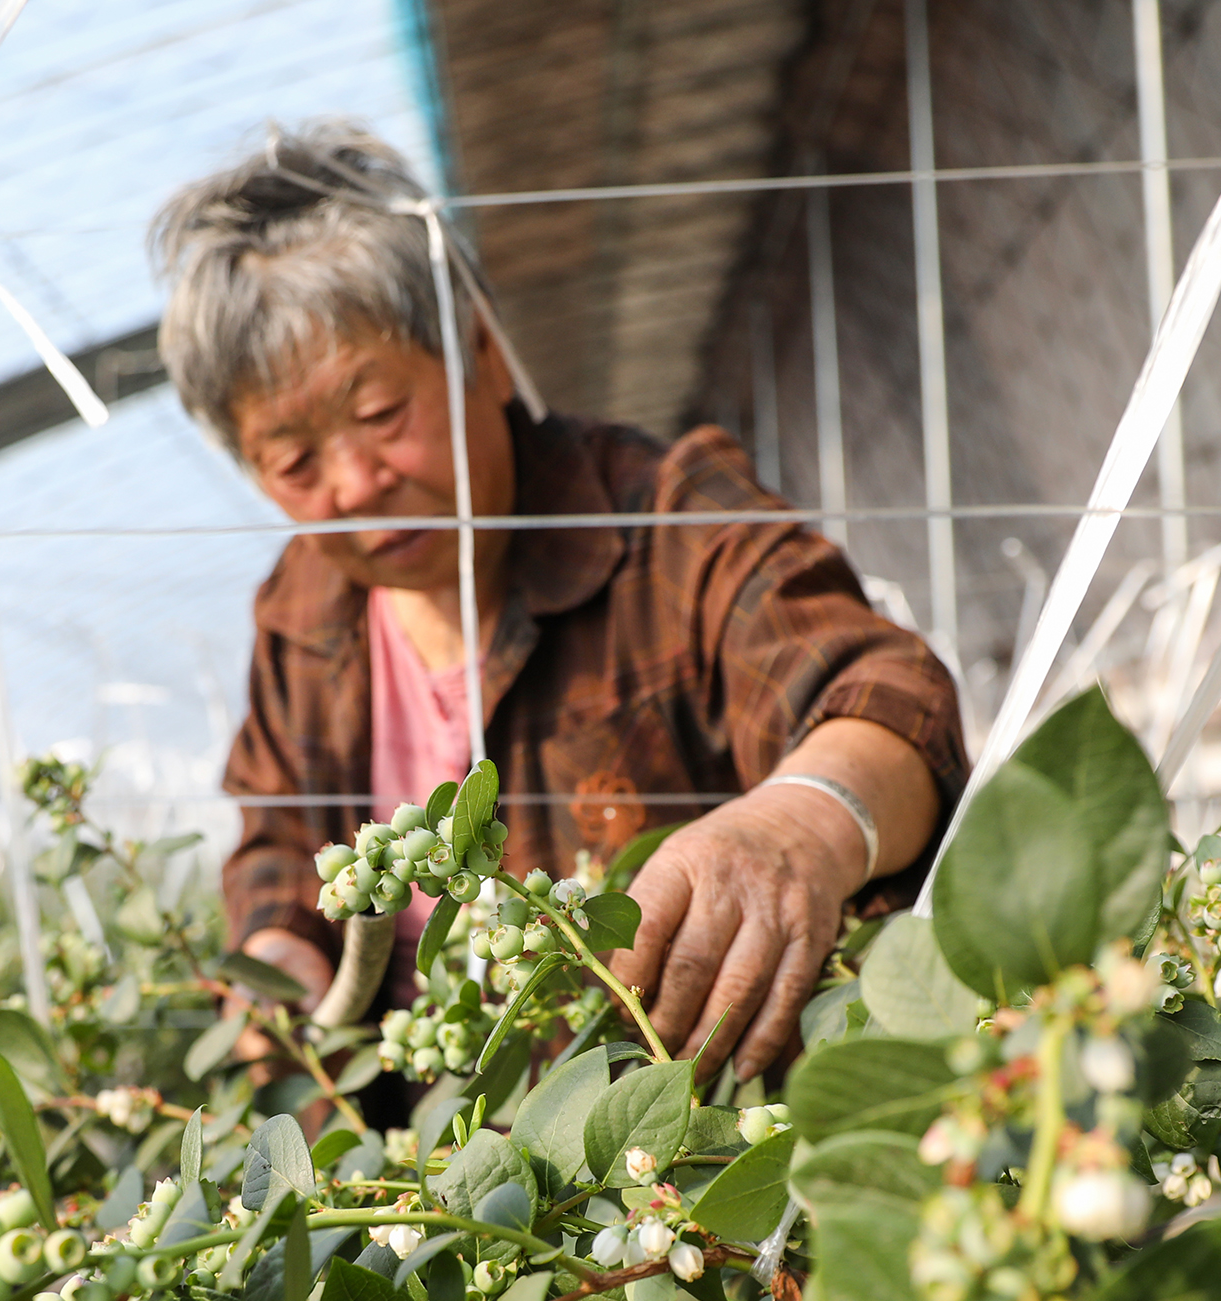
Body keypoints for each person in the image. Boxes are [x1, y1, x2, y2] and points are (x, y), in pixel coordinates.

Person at [151, 122, 965, 1079]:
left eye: (379, 415)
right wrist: (279, 944)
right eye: (294, 462)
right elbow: (278, 832)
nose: (357, 484)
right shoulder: (303, 614)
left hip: (677, 1120)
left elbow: (883, 695)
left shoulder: (664, 521)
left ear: (483, 354)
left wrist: (799, 826)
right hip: (433, 1144)